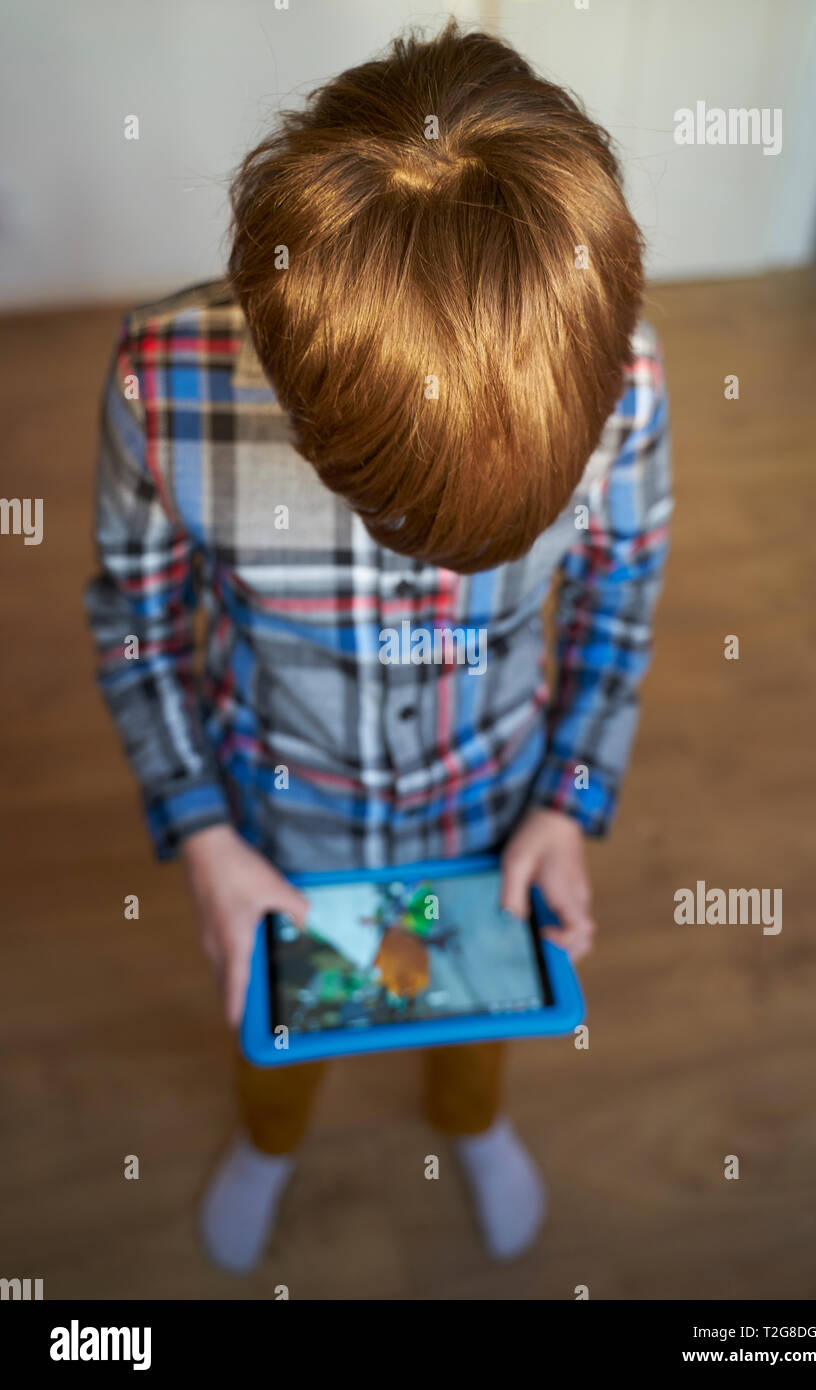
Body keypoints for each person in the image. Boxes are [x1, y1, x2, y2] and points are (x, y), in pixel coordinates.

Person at [84, 20, 671, 1273]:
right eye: (402, 518)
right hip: (277, 828)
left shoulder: (628, 375)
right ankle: (270, 1140)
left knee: (474, 1017)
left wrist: (568, 802)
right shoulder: (163, 381)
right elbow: (135, 618)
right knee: (276, 1033)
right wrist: (202, 836)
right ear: (304, 412)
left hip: (494, 809)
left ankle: (472, 1118)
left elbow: (622, 598)